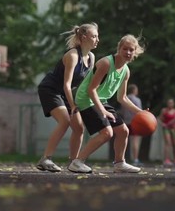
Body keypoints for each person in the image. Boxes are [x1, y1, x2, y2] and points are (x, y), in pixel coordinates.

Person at [68, 34, 145, 173]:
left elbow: (122, 98)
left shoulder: (126, 71)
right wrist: (102, 111)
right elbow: (91, 90)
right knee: (107, 133)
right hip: (86, 99)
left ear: (135, 52)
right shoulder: (106, 63)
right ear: (119, 48)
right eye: (125, 49)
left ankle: (119, 163)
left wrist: (141, 112)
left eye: (131, 50)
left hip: (100, 100)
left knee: (123, 131)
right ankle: (77, 162)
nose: (128, 52)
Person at [36, 23, 98, 172]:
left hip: (65, 93)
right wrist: (74, 106)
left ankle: (74, 163)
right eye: (94, 36)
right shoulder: (72, 55)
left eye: (97, 36)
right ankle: (46, 159)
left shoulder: (91, 57)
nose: (97, 40)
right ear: (84, 37)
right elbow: (67, 84)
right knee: (65, 121)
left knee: (79, 128)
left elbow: (85, 86)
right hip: (50, 89)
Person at [120, 84, 143, 166]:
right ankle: (135, 159)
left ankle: (122, 158)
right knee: (135, 141)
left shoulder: (124, 98)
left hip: (126, 121)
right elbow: (140, 112)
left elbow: (122, 112)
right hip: (134, 122)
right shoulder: (137, 100)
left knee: (124, 140)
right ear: (134, 90)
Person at [158, 98, 175, 166]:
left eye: (171, 103)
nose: (170, 104)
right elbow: (159, 119)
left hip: (173, 129)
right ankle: (167, 159)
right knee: (168, 143)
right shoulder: (164, 110)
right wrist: (162, 124)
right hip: (166, 128)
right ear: (167, 103)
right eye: (169, 103)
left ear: (173, 104)